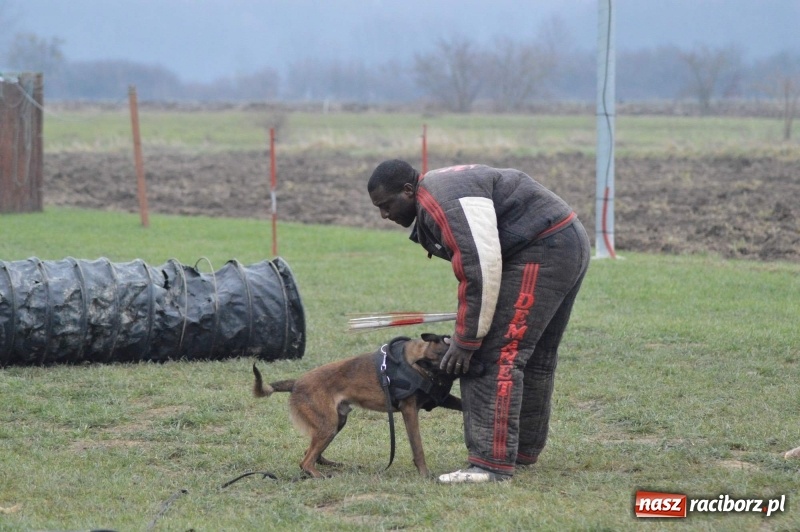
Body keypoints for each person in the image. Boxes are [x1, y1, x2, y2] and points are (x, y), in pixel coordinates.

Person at [367, 159, 590, 483]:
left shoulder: (441, 202)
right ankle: (521, 450)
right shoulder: (438, 191)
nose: (384, 215)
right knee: (535, 357)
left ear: (408, 190)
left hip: (541, 248)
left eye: (386, 206)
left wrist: (467, 340)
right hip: (564, 240)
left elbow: (479, 268)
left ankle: (490, 464)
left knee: (490, 355)